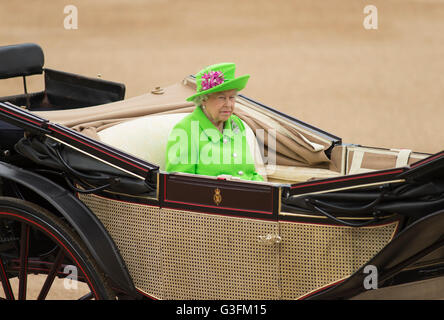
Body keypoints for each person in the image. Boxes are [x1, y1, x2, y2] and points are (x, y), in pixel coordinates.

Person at [165, 63, 263, 181]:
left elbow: (250, 174)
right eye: (221, 98)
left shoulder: (236, 123)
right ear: (203, 100)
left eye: (232, 97)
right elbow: (179, 185)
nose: (228, 104)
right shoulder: (186, 130)